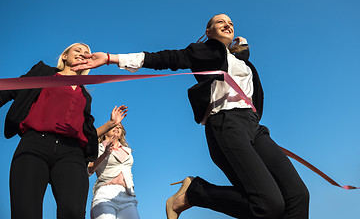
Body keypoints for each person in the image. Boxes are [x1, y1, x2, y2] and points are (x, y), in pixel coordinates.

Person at [72, 14, 310, 219]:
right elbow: (168, 58)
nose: (227, 24)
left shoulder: (244, 63)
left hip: (254, 128)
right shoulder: (207, 52)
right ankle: (193, 192)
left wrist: (241, 48)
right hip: (226, 125)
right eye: (219, 22)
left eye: (230, 22)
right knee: (269, 204)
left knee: (298, 195)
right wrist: (113, 58)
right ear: (208, 31)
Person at [0, 43, 127, 219]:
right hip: (35, 144)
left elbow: (87, 134)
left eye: (87, 54)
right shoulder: (43, 72)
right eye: (78, 50)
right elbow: (10, 90)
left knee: (73, 212)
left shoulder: (85, 96)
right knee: (26, 212)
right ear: (65, 56)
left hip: (72, 153)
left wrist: (111, 123)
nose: (83, 54)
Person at [88, 117, 140, 219]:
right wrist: (105, 154)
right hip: (105, 194)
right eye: (114, 126)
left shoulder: (127, 151)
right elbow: (89, 170)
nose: (117, 127)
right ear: (105, 131)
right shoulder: (98, 148)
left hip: (127, 196)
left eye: (119, 127)